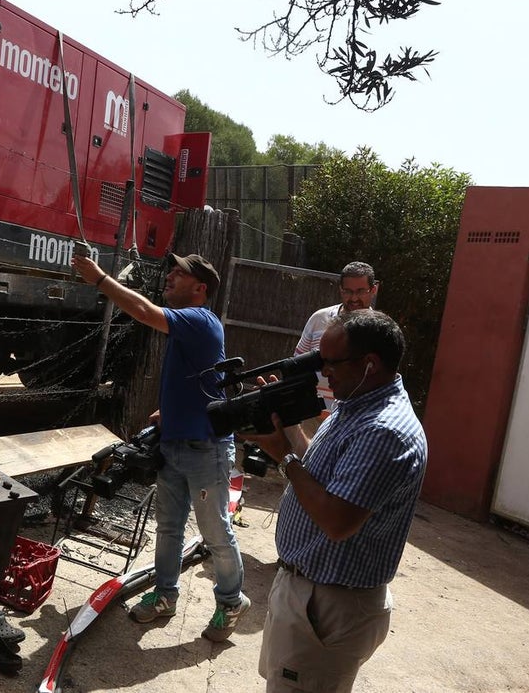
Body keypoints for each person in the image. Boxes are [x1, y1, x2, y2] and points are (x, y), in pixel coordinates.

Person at [71, 251, 249, 640]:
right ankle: (165, 595)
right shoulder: (189, 327)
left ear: (200, 288)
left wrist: (101, 279)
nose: (169, 276)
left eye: (178, 273)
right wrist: (167, 411)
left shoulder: (201, 319)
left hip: (206, 449)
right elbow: (195, 380)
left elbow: (144, 311)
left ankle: (232, 601)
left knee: (216, 531)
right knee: (169, 527)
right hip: (175, 442)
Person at [248, 309, 427, 692]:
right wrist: (286, 426)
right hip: (305, 592)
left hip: (329, 607)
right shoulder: (354, 403)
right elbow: (324, 470)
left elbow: (337, 520)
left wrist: (285, 458)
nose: (322, 371)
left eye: (330, 363)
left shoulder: (384, 431)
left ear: (370, 364)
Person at [294, 261, 379, 413]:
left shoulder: (379, 332)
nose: (353, 298)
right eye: (348, 291)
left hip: (351, 422)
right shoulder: (319, 319)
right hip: (309, 416)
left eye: (360, 291)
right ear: (340, 290)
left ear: (373, 290)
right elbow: (297, 367)